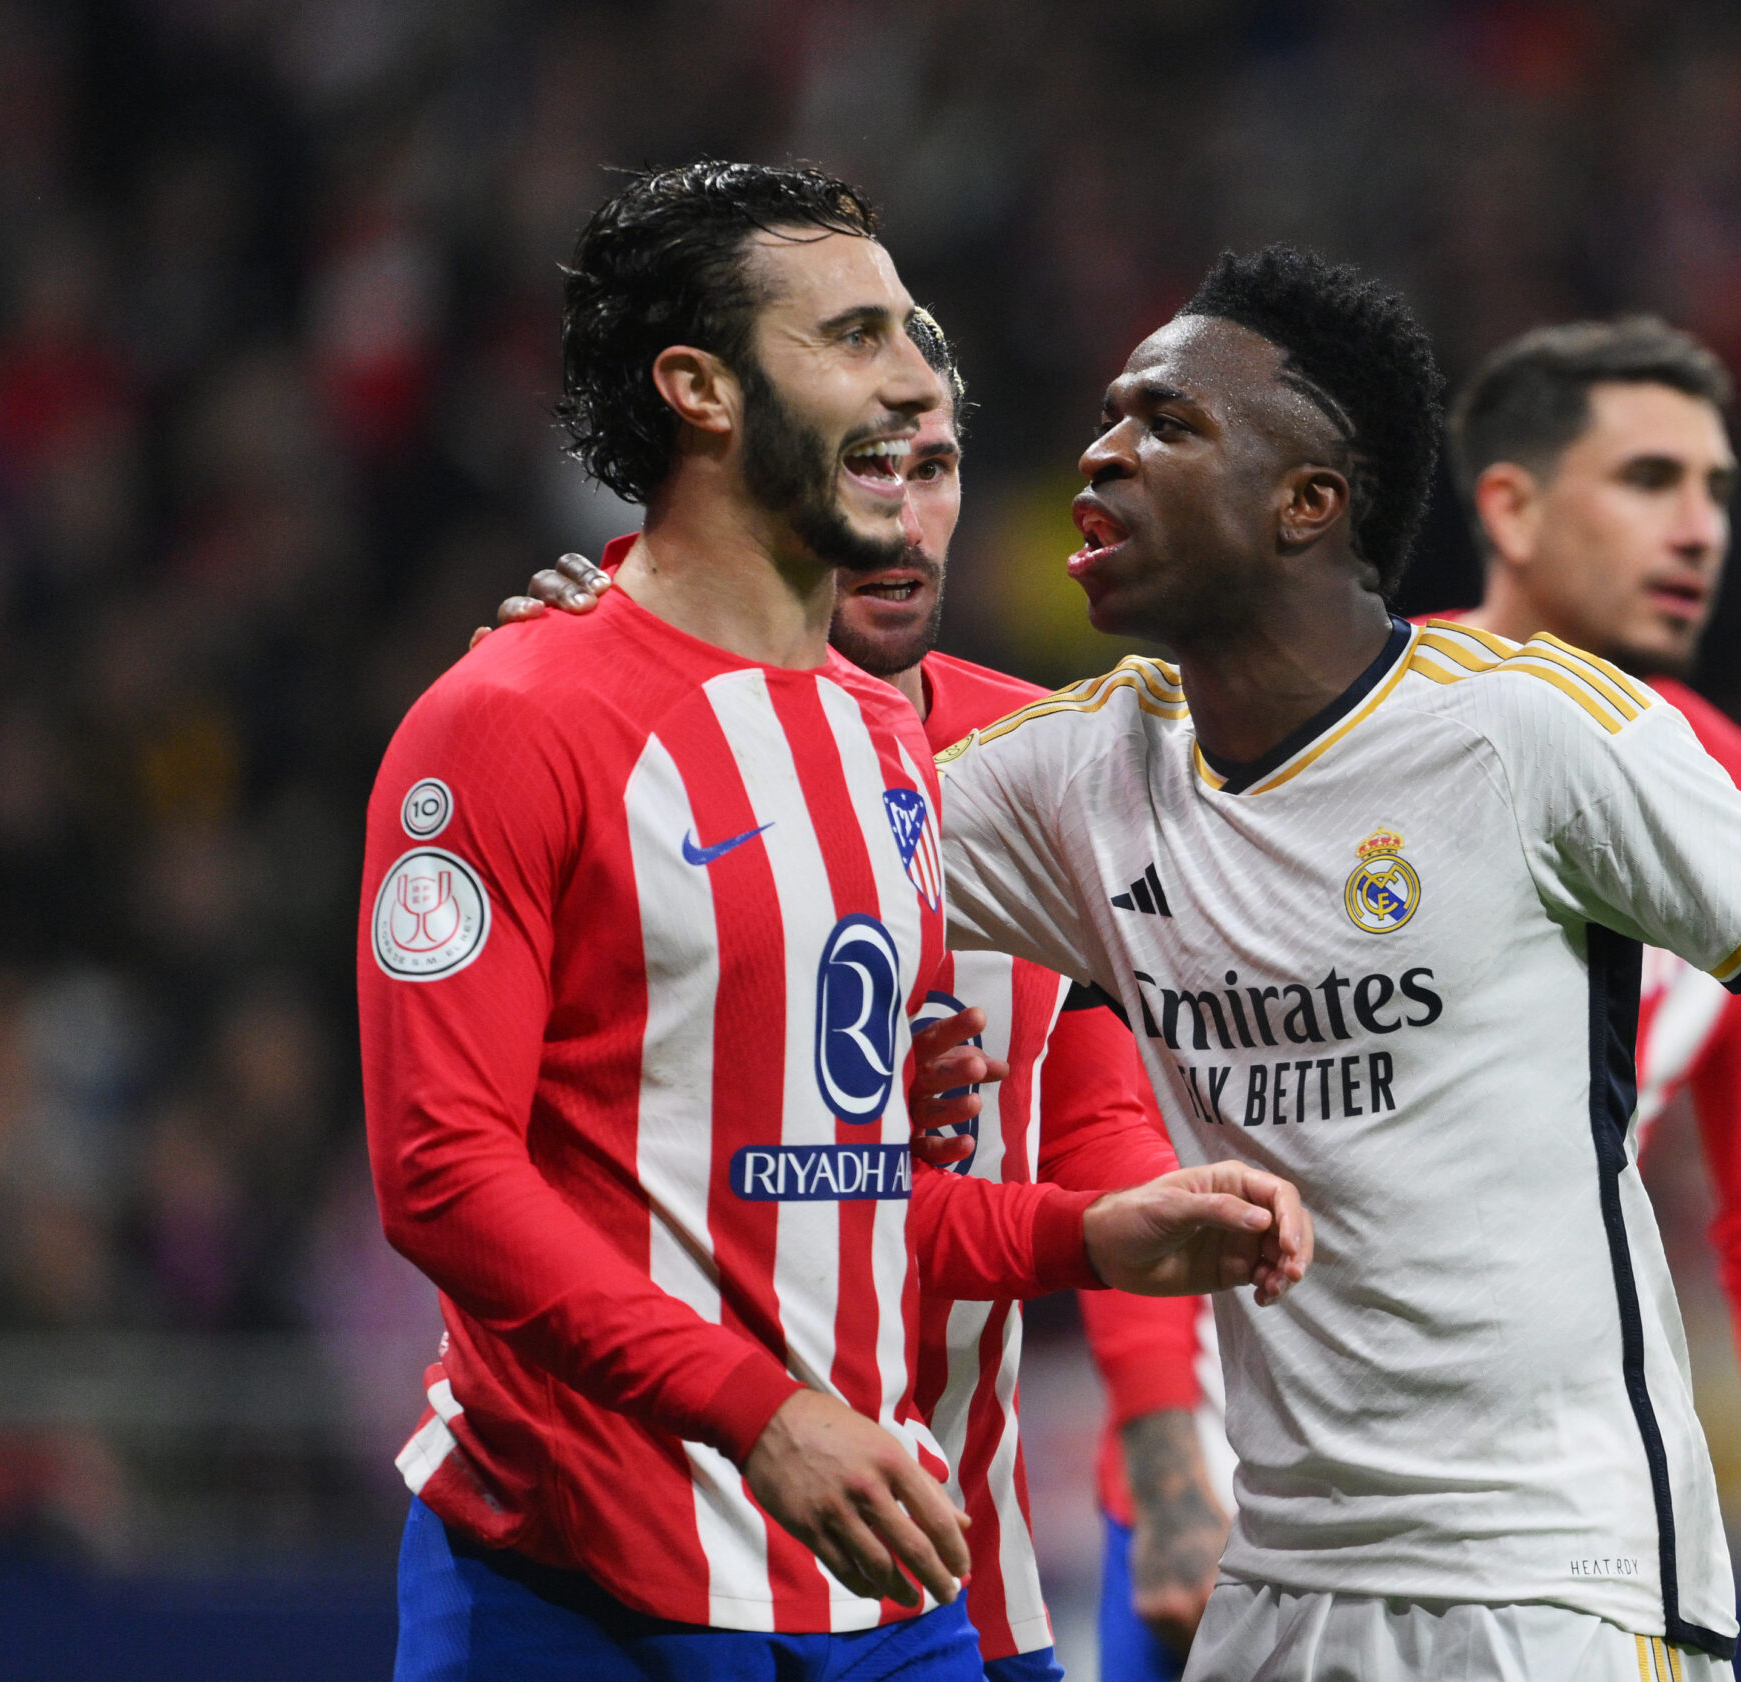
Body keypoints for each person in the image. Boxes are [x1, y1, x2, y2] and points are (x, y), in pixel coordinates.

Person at [931, 245, 1741, 1681]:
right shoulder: (1084, 774)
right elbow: (789, 850)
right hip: (1281, 1582)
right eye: (1114, 414)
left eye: (1167, 422)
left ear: (1309, 503)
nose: (1104, 452)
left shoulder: (1526, 732)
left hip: (1555, 1579)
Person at [361, 162, 1309, 1682]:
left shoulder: (889, 749)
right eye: (855, 338)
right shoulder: (506, 717)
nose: (914, 380)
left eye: (916, 346)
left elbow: (840, 1197)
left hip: (877, 1576)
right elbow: (440, 1178)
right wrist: (762, 1414)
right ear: (700, 390)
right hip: (577, 1577)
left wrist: (1088, 1231)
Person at [1423, 317, 1741, 1682]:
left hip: (1564, 1506)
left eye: (1718, 490)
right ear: (1509, 506)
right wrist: (1167, 1450)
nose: (1699, 529)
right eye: (1649, 481)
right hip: (1263, 1475)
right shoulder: (1330, 727)